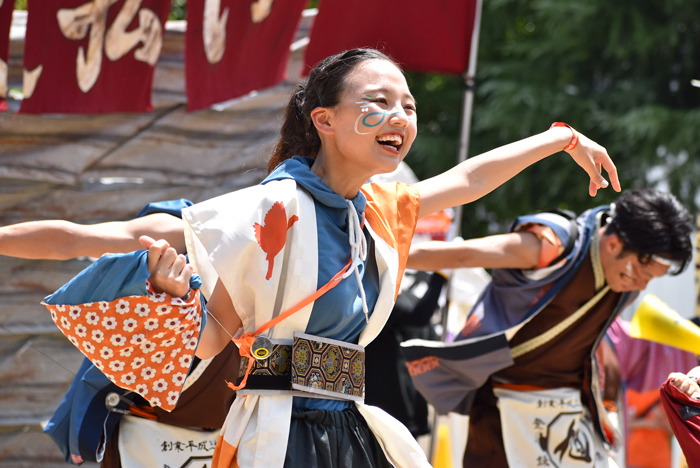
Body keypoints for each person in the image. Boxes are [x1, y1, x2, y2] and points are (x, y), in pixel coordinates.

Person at [16, 47, 619, 468]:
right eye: (378, 101)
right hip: (276, 438)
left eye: (408, 105)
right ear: (325, 120)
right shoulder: (264, 209)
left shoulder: (378, 212)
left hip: (351, 426)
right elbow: (86, 238)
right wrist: (174, 296)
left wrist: (561, 138)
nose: (401, 117)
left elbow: (466, 179)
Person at [404, 189, 693, 468]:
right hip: (503, 405)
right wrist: (384, 252)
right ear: (614, 243)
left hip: (569, 409)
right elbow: (463, 255)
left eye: (650, 280)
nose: (641, 286)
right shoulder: (552, 244)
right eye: (641, 274)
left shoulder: (623, 282)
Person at [0, 200, 239, 467]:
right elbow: (71, 240)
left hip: (242, 425)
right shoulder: (189, 235)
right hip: (142, 425)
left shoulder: (277, 253)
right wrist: (162, 292)